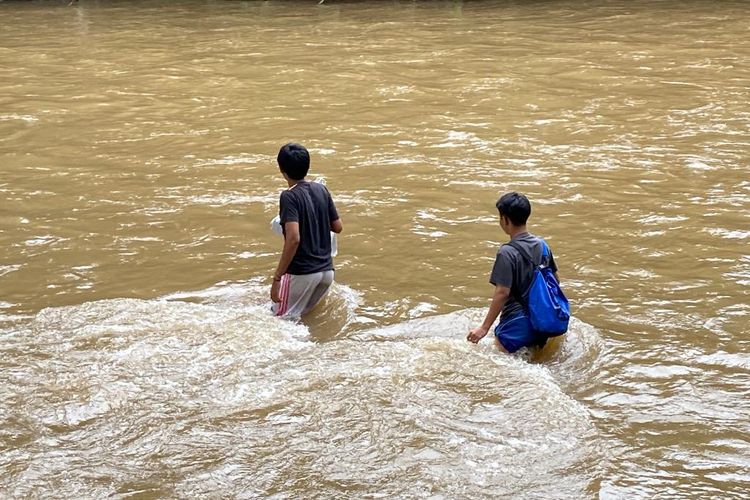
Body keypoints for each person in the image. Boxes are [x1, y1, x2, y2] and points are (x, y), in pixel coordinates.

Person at [467, 192, 561, 353]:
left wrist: (484, 328)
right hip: (543, 322)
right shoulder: (542, 245)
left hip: (516, 326)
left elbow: (502, 292)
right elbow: (556, 281)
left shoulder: (507, 252)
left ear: (505, 220)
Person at [270, 143, 343, 319]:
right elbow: (338, 227)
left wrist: (277, 278)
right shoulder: (321, 189)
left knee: (279, 319)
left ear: (282, 169)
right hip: (326, 272)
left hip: (302, 273)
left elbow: (294, 238)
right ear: (307, 166)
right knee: (302, 318)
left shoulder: (288, 196)